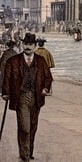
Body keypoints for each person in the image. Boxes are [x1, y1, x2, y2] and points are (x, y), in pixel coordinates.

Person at [2, 32, 53, 161]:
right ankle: (24, 156)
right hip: (21, 97)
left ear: (35, 46)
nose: (27, 47)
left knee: (33, 127)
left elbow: (48, 77)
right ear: (22, 44)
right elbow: (6, 78)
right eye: (25, 44)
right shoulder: (13, 61)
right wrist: (5, 92)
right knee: (24, 127)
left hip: (36, 97)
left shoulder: (41, 61)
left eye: (30, 44)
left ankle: (28, 151)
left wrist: (46, 88)